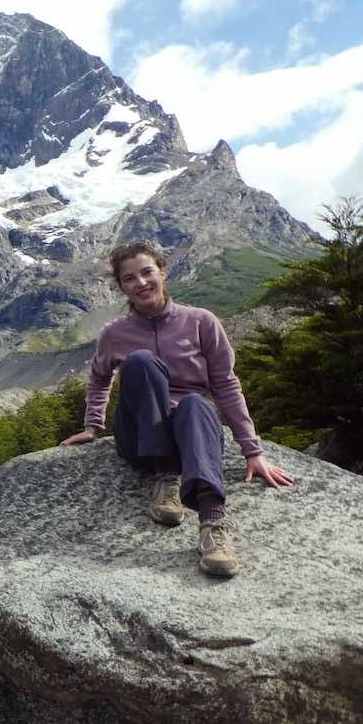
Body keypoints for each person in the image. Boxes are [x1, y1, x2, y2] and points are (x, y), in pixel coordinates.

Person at [61, 239, 293, 577]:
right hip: (140, 437)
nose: (140, 283)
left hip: (191, 433)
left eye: (147, 272)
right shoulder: (115, 333)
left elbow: (226, 385)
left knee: (197, 403)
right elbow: (99, 378)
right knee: (140, 362)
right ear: (122, 287)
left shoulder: (201, 321)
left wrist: (252, 451)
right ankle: (164, 476)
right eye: (129, 279)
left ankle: (213, 525)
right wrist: (93, 425)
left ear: (163, 271)